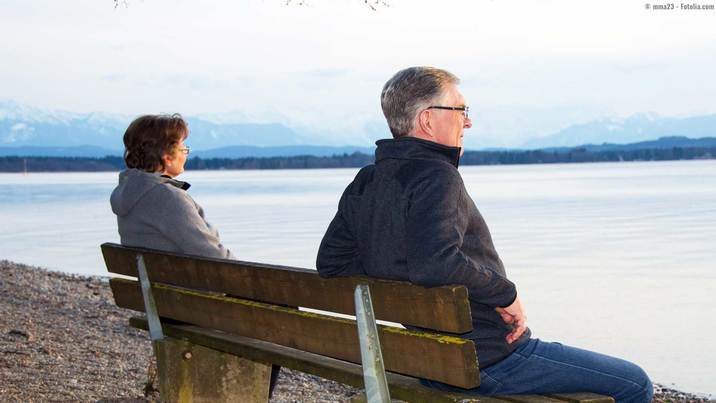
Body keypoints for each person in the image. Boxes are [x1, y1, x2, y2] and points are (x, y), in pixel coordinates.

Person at [316, 67, 653, 402]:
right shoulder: (437, 177)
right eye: (461, 110)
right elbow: (435, 264)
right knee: (635, 383)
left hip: (429, 359)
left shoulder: (368, 179)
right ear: (428, 120)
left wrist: (394, 273)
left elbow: (332, 262)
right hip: (487, 361)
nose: (468, 122)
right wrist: (505, 294)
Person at [110, 113, 233, 259]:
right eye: (183, 149)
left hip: (150, 280)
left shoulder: (128, 192)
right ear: (167, 157)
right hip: (184, 281)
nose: (186, 154)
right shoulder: (167, 198)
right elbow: (213, 253)